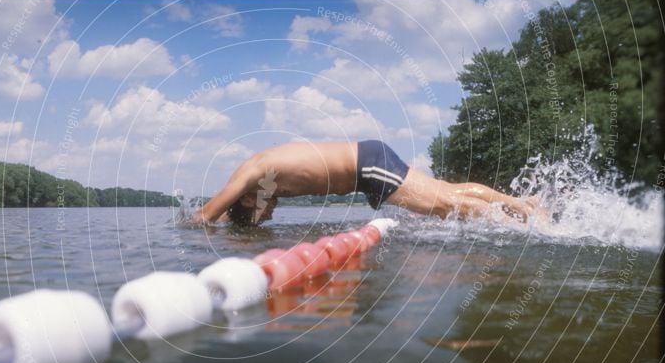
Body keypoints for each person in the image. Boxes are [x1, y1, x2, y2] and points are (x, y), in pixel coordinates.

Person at [195, 140, 538, 226]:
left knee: (447, 205)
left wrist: (207, 224)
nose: (270, 214)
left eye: (262, 212)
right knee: (448, 191)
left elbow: (205, 216)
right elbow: (229, 213)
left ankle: (523, 231)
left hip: (367, 167)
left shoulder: (249, 176)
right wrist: (237, 222)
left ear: (244, 199)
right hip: (368, 160)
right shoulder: (260, 178)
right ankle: (524, 207)